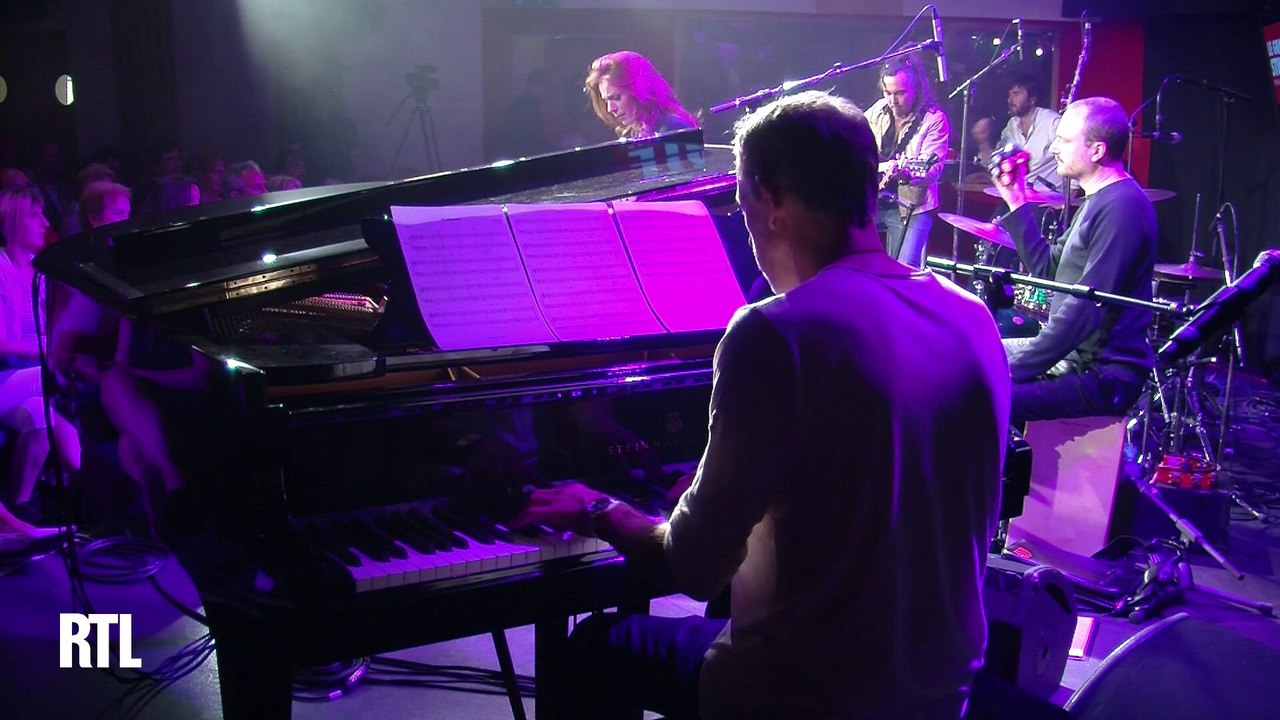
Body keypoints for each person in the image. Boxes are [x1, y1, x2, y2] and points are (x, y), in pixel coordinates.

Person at [516, 90, 1010, 720]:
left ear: (771, 202)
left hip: (804, 698)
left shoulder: (775, 332)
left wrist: (595, 508)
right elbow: (858, 483)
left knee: (591, 646)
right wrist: (728, 498)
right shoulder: (969, 315)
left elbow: (690, 568)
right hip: (938, 692)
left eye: (742, 200)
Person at [992, 97, 1156, 427]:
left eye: (1064, 140)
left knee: (977, 391)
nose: (1053, 148)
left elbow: (1085, 310)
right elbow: (1048, 270)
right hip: (1075, 358)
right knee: (966, 356)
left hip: (1101, 374)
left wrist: (1017, 368)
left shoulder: (1122, 207)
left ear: (1096, 150)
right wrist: (1016, 199)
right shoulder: (1098, 200)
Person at [0, 187, 81, 510]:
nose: (46, 223)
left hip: (33, 378)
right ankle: (90, 485)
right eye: (35, 215)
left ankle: (20, 508)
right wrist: (52, 352)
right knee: (60, 374)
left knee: (40, 418)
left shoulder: (43, 270)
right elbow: (3, 345)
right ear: (13, 221)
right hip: (5, 379)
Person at [865, 58, 950, 268]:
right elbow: (852, 136)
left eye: (900, 93)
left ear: (916, 88)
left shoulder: (934, 119)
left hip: (912, 206)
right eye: (888, 93)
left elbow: (933, 169)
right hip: (873, 200)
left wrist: (907, 175)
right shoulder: (878, 110)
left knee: (904, 272)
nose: (893, 101)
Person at [585, 51, 698, 139]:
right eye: (606, 101)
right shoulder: (634, 132)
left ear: (640, 90)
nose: (610, 109)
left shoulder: (673, 128)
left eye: (616, 98)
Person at [998, 76, 1062, 193]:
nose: (1010, 100)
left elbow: (1072, 157)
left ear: (1032, 99)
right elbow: (1001, 160)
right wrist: (983, 143)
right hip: (1020, 195)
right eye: (1010, 95)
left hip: (1049, 199)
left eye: (1016, 94)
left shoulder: (1052, 122)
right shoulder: (1011, 125)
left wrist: (1067, 201)